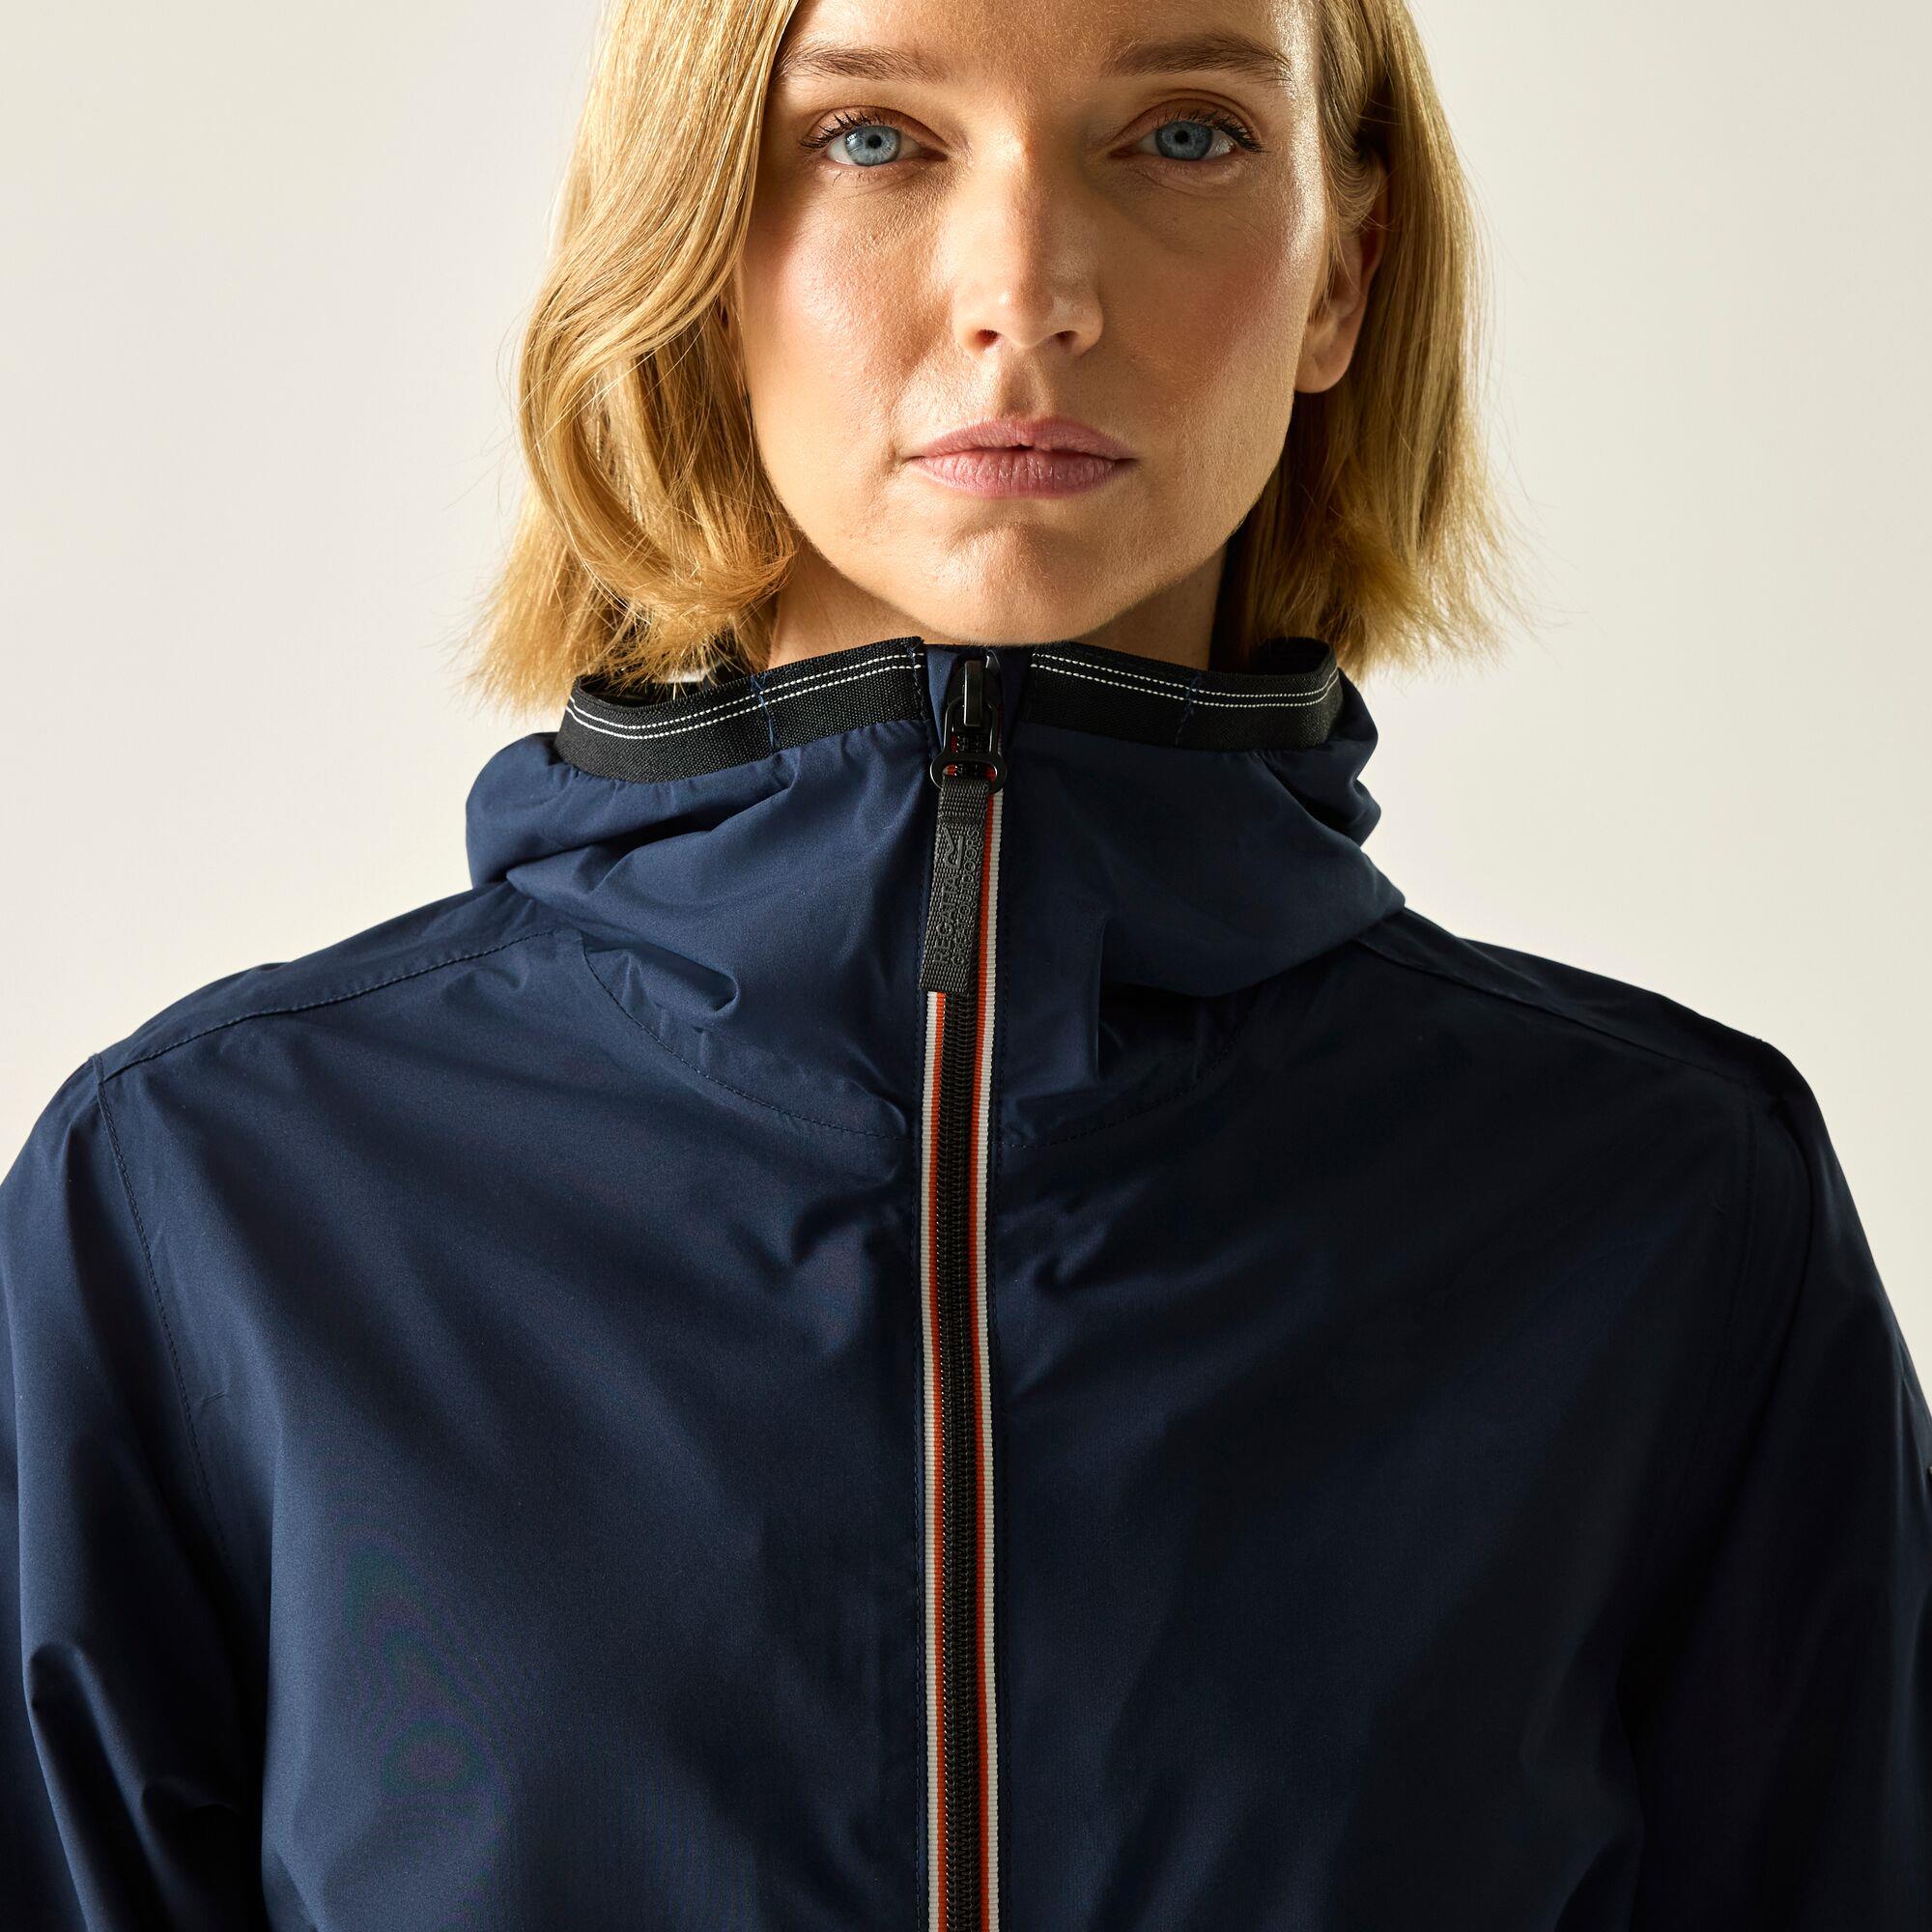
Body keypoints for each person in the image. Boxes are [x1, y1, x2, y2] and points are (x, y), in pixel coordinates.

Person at [4, 0, 1927, 1924]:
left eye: (1185, 136)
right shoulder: (205, 1204)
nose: (1028, 293)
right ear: (695, 243)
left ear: (1341, 273)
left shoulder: (1668, 1215)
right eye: (872, 140)